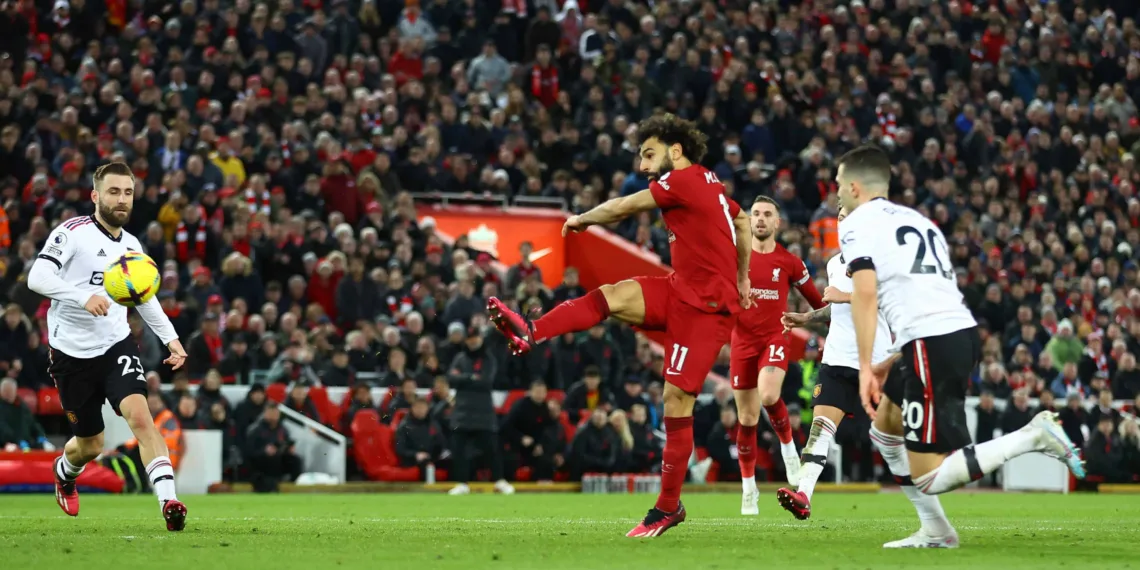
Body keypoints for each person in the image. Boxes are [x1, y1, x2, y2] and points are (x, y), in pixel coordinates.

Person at [487, 114, 752, 538]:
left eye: (650, 154)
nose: (644, 166)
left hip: (706, 307)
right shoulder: (711, 183)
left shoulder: (681, 180)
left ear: (676, 150)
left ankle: (668, 507)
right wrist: (743, 277)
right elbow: (740, 221)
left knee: (675, 400)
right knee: (612, 295)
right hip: (682, 289)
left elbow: (627, 205)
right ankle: (532, 330)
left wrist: (583, 218)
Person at [834, 145, 1084, 547]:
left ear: (853, 187)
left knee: (929, 475)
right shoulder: (920, 221)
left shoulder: (855, 222)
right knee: (884, 430)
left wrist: (864, 366)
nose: (836, 196)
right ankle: (936, 529)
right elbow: (931, 299)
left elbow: (865, 294)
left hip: (932, 344)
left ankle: (1033, 437)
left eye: (837, 187)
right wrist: (892, 361)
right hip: (946, 336)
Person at [27, 162, 189, 531]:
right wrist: (82, 298)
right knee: (90, 444)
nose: (122, 199)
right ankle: (64, 473)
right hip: (71, 353)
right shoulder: (72, 233)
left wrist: (171, 338)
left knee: (140, 417)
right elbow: (37, 277)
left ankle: (169, 502)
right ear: (96, 195)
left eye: (128, 192)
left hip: (116, 344)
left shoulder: (132, 245)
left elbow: (144, 298)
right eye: (114, 192)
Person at [779, 205, 919, 521]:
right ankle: (804, 495)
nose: (844, 222)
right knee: (820, 430)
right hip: (838, 360)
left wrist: (844, 296)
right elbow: (836, 310)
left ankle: (929, 509)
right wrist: (807, 317)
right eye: (841, 217)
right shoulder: (833, 264)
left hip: (876, 364)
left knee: (894, 445)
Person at [732, 195, 825, 515]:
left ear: (776, 223)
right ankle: (749, 491)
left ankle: (789, 449)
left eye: (766, 214)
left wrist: (812, 318)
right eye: (754, 213)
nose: (759, 218)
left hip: (775, 336)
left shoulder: (790, 262)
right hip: (742, 341)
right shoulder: (734, 258)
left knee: (769, 395)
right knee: (746, 419)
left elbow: (817, 302)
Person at [446, 325, 515, 496]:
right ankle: (462, 483)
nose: (472, 341)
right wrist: (471, 377)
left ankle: (499, 481)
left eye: (475, 337)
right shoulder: (460, 358)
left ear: (481, 338)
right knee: (459, 449)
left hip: (483, 412)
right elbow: (451, 378)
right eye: (470, 338)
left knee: (491, 449)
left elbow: (486, 381)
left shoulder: (488, 358)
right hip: (462, 412)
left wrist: (463, 378)